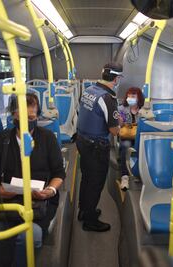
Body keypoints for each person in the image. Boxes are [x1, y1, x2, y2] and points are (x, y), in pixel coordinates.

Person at [0, 93, 65, 266]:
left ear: (37, 117)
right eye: (22, 117)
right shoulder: (2, 141)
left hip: (38, 205)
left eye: (31, 117)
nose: (27, 121)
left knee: (29, 236)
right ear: (14, 116)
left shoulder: (47, 138)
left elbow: (59, 173)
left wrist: (49, 191)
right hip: (8, 202)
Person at [76, 62, 122, 232]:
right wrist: (119, 123)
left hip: (82, 140)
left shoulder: (88, 90)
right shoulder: (108, 99)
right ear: (116, 79)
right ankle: (90, 221)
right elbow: (114, 131)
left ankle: (84, 210)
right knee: (95, 183)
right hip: (96, 147)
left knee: (86, 178)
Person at [118, 87, 144, 190]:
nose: (130, 98)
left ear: (139, 98)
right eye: (128, 96)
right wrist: (120, 120)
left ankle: (140, 172)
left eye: (133, 96)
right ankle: (124, 177)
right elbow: (119, 124)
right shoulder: (122, 109)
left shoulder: (143, 110)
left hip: (140, 136)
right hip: (127, 136)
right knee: (126, 145)